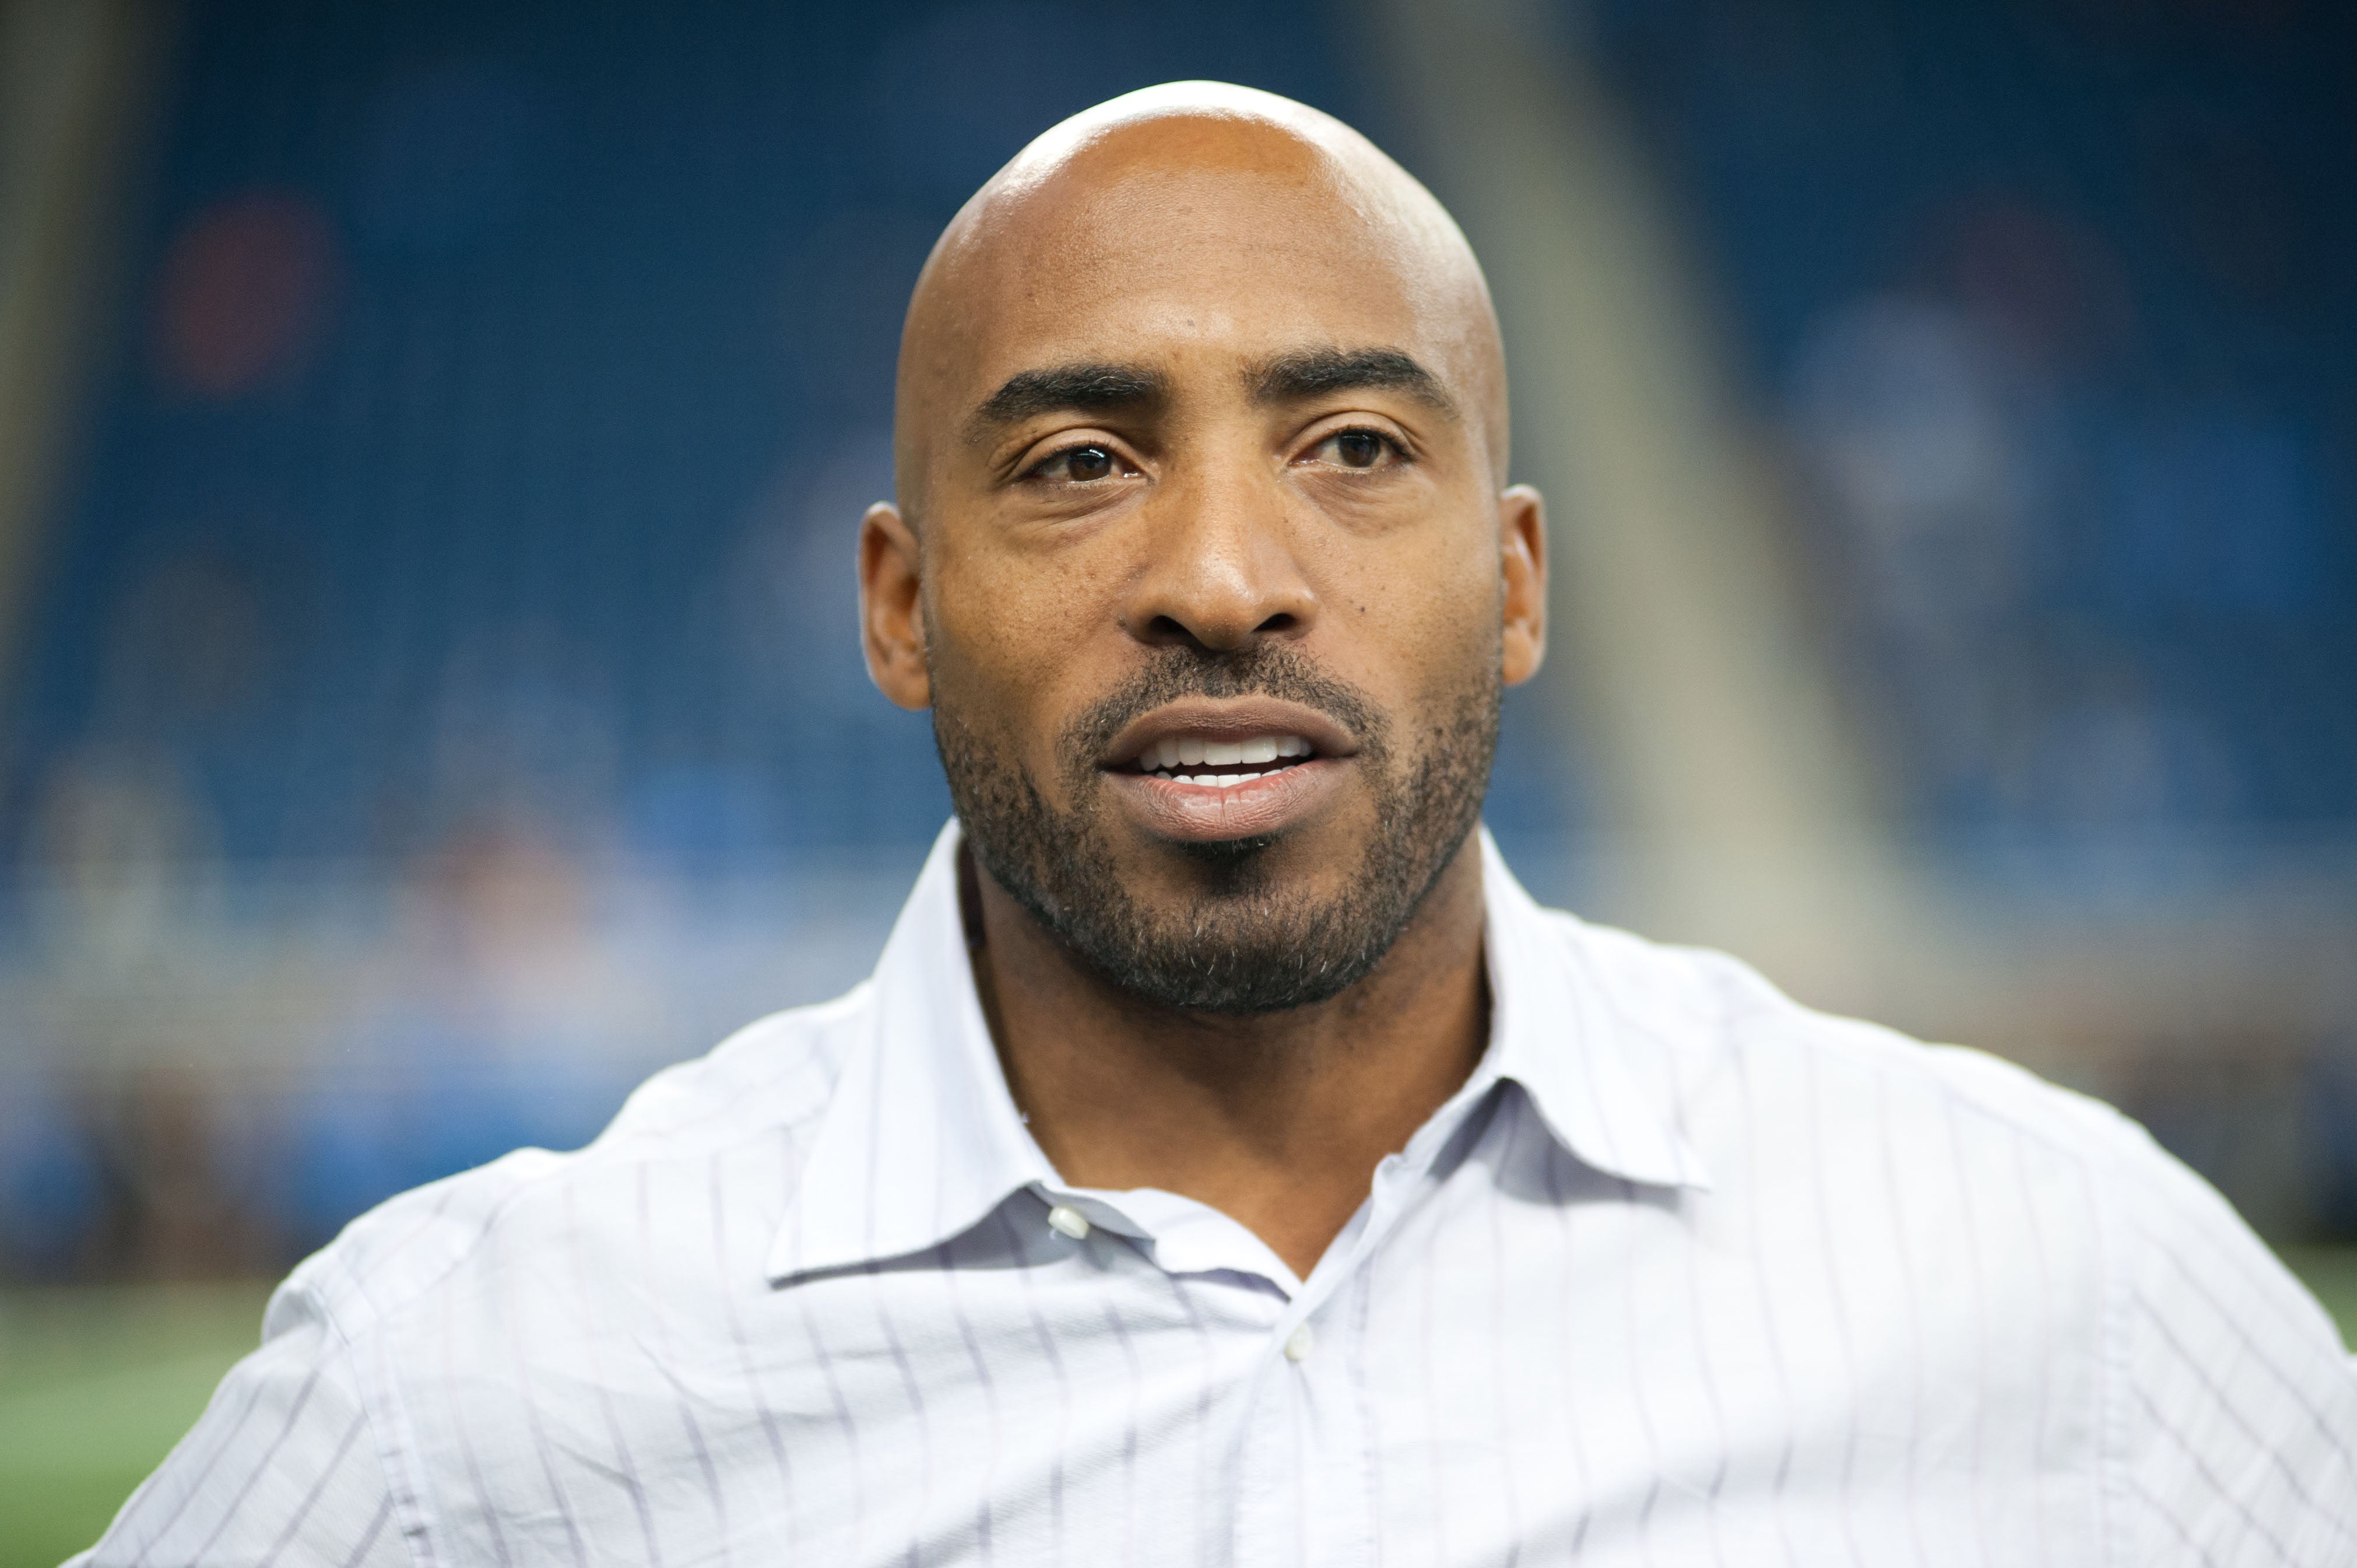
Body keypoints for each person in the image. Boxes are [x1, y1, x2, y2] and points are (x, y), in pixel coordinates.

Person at [80, 82, 2355, 1567]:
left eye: (1356, 445)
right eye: (1079, 461)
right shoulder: (465, 1402)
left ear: (1524, 574)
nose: (1225, 571)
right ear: (896, 606)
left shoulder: (2057, 1286)